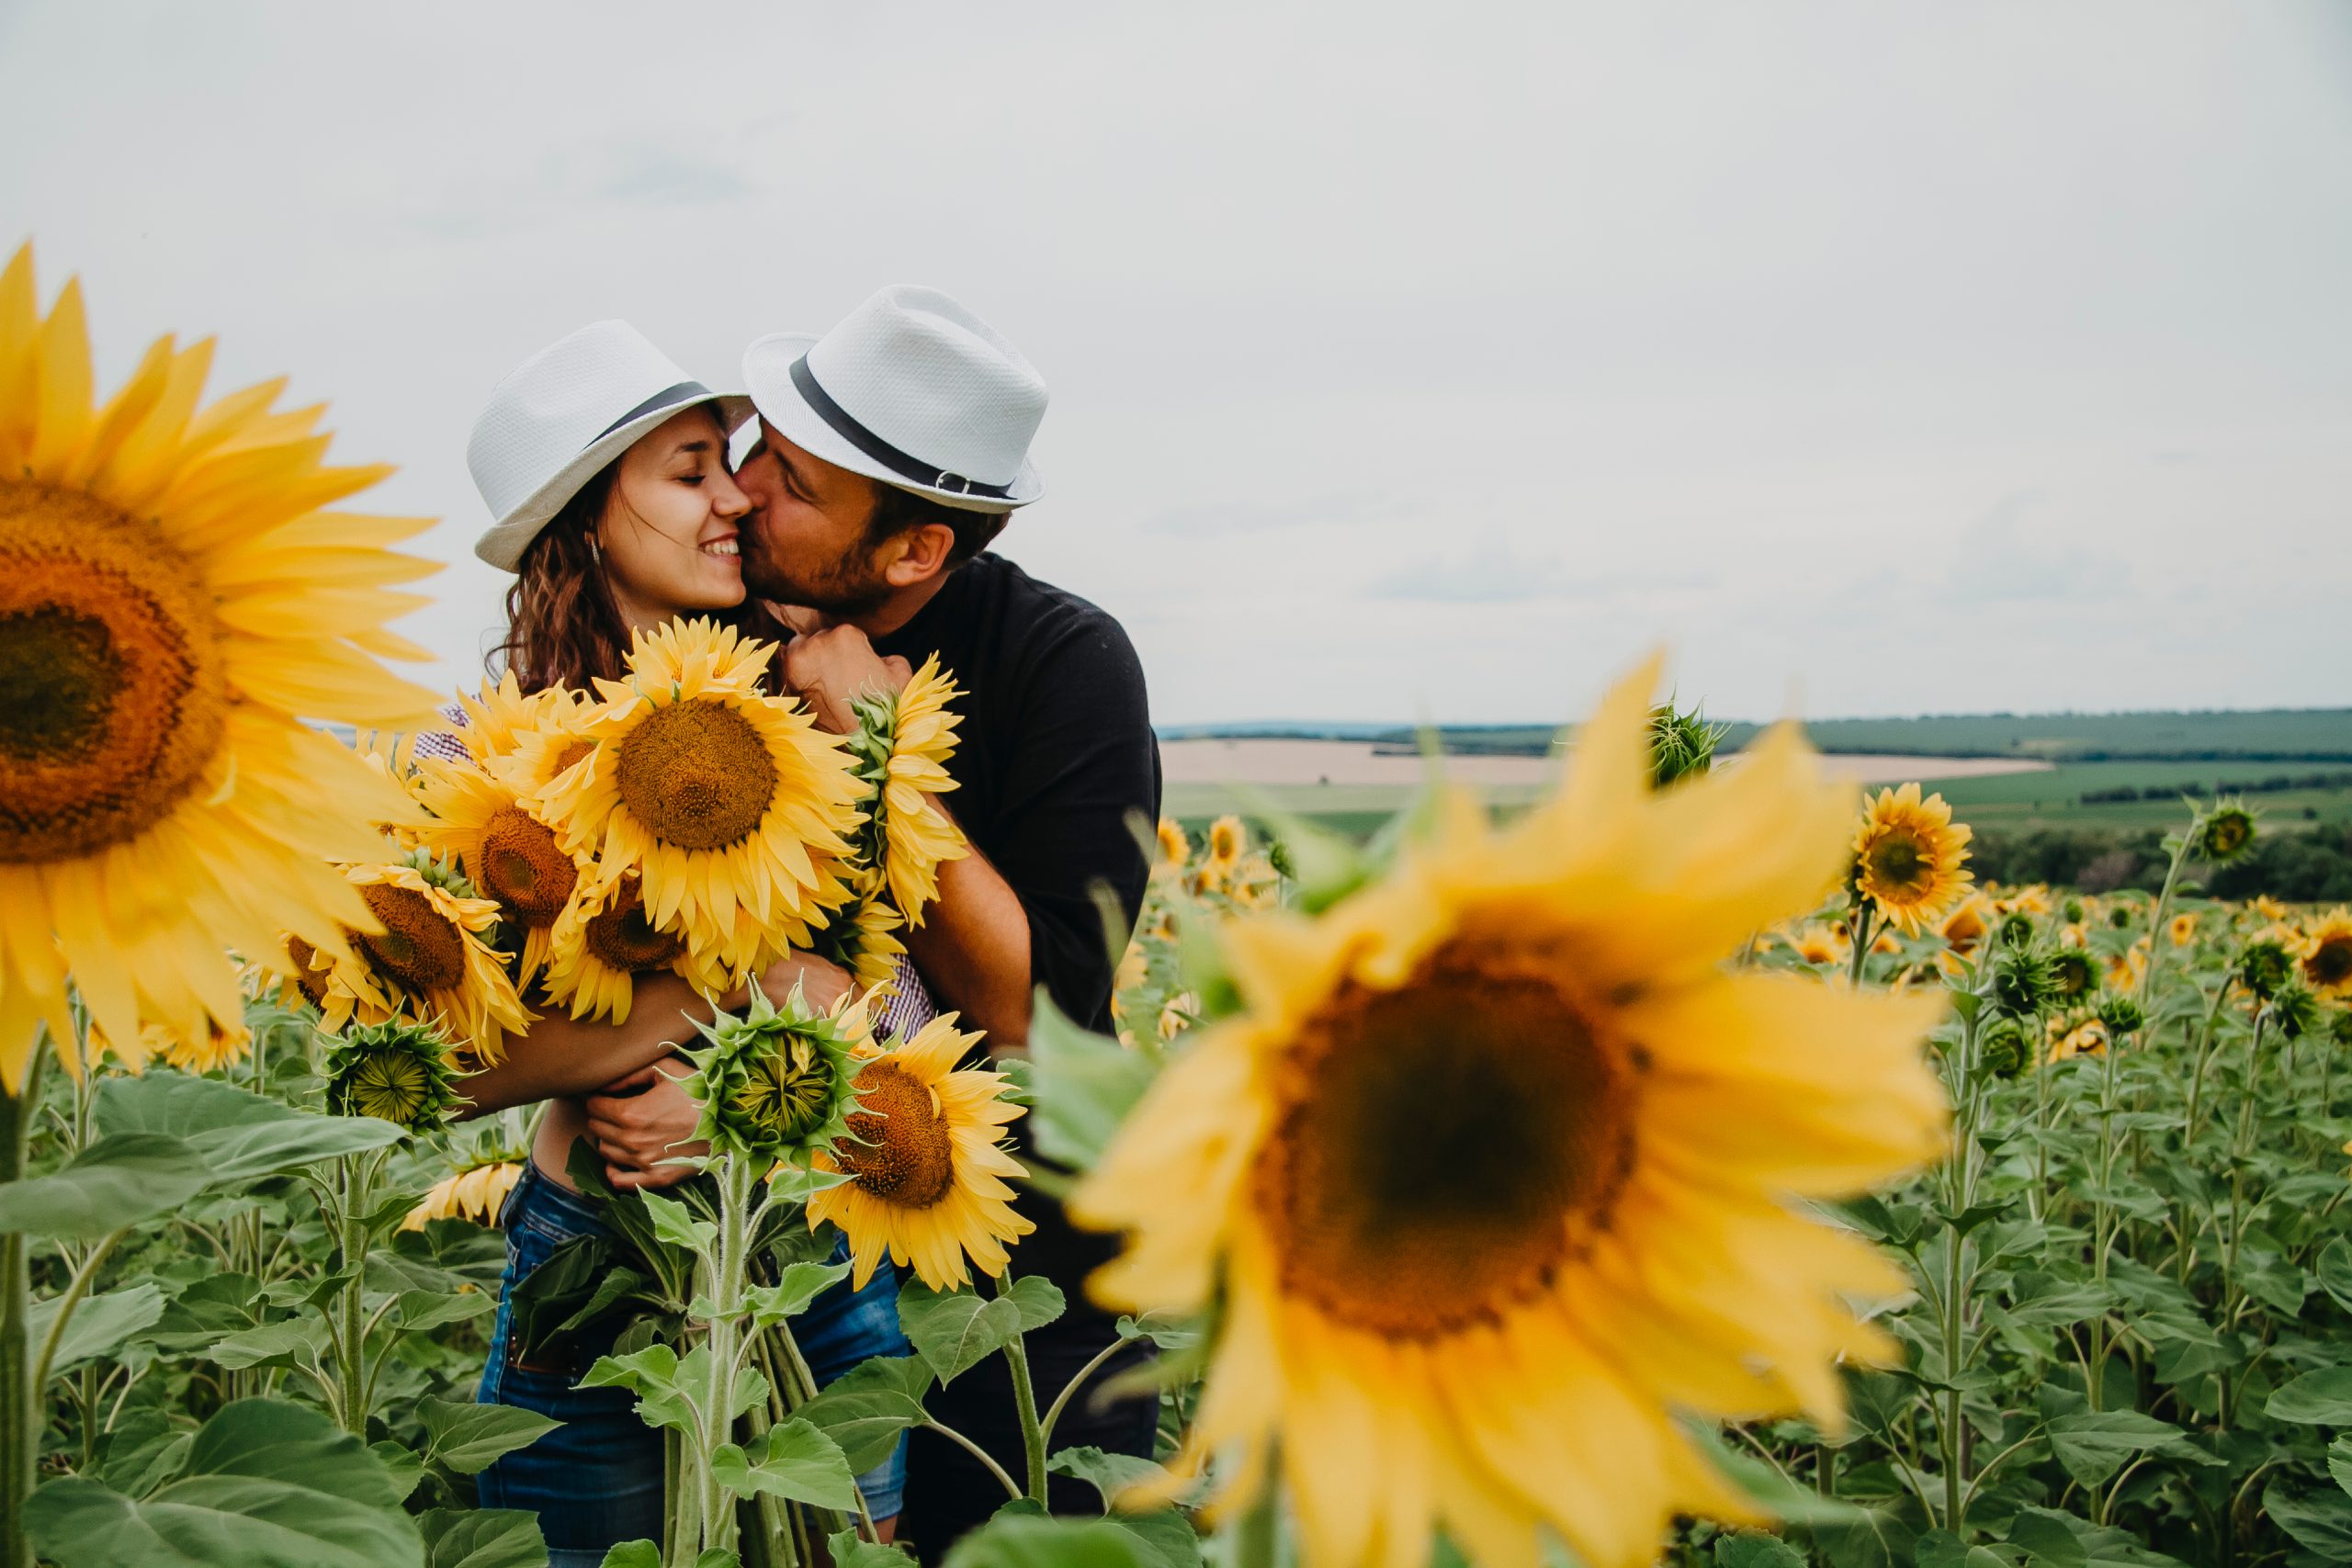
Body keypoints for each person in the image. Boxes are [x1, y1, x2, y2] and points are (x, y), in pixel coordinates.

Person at [583, 286, 1163, 1555]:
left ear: (911, 554)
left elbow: (1036, 1016)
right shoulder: (708, 642)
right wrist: (739, 1104)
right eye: (745, 457)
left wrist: (882, 742)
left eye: (788, 481)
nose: (740, 495)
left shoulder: (1062, 664)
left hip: (1018, 1283)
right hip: (761, 1271)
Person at [448, 320, 922, 1567]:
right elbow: (431, 1070)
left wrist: (734, 1085)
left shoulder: (812, 724)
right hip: (589, 1261)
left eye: (731, 461)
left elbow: (917, 1023)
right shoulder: (476, 762)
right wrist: (752, 997)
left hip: (816, 1259)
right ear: (587, 517)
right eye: (690, 467)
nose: (736, 498)